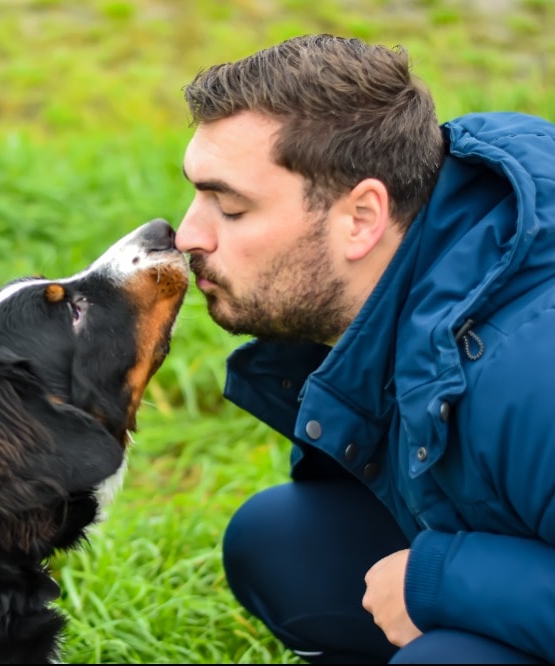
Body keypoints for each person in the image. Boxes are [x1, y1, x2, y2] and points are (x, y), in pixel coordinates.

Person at [174, 33, 555, 664]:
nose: (189, 235)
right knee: (283, 542)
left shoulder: (531, 369)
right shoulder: (409, 267)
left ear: (361, 218)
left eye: (231, 208)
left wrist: (442, 581)